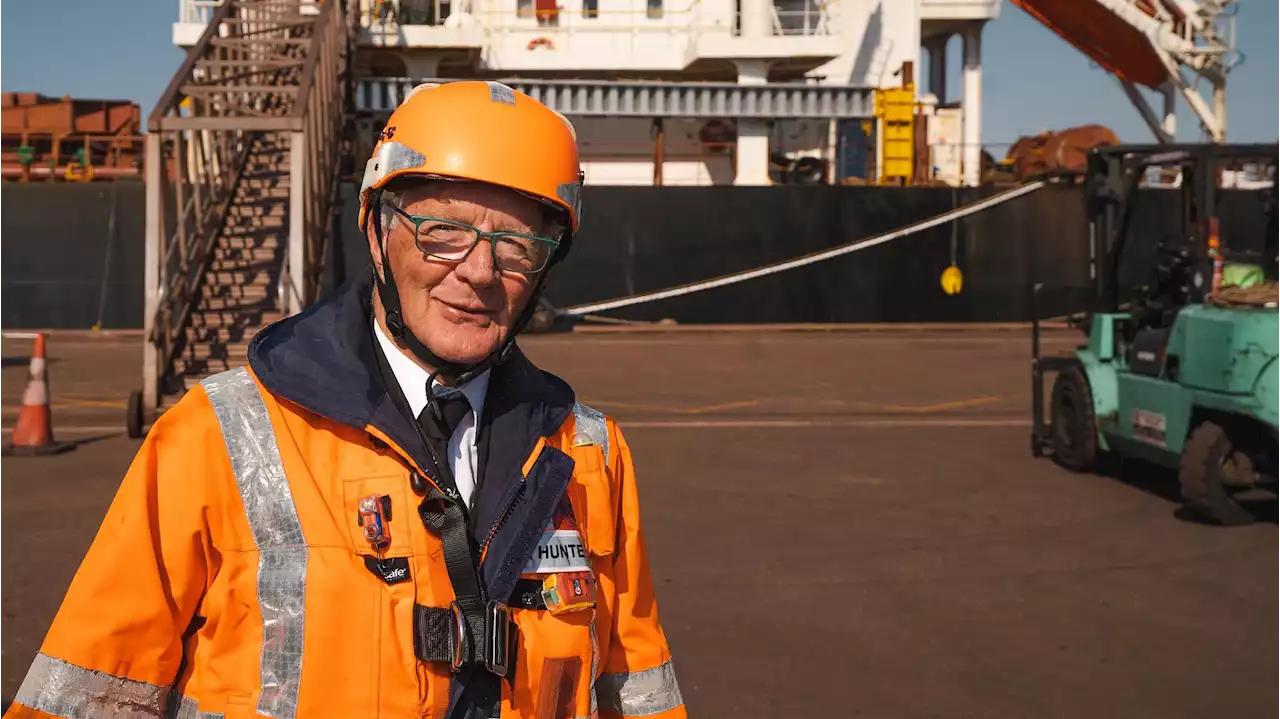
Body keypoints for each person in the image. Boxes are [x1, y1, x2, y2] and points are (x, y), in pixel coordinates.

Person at [5, 81, 685, 719]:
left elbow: (642, 692)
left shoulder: (588, 453)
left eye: (518, 244)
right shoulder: (215, 437)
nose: (479, 272)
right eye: (442, 230)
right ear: (376, 230)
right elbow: (86, 692)